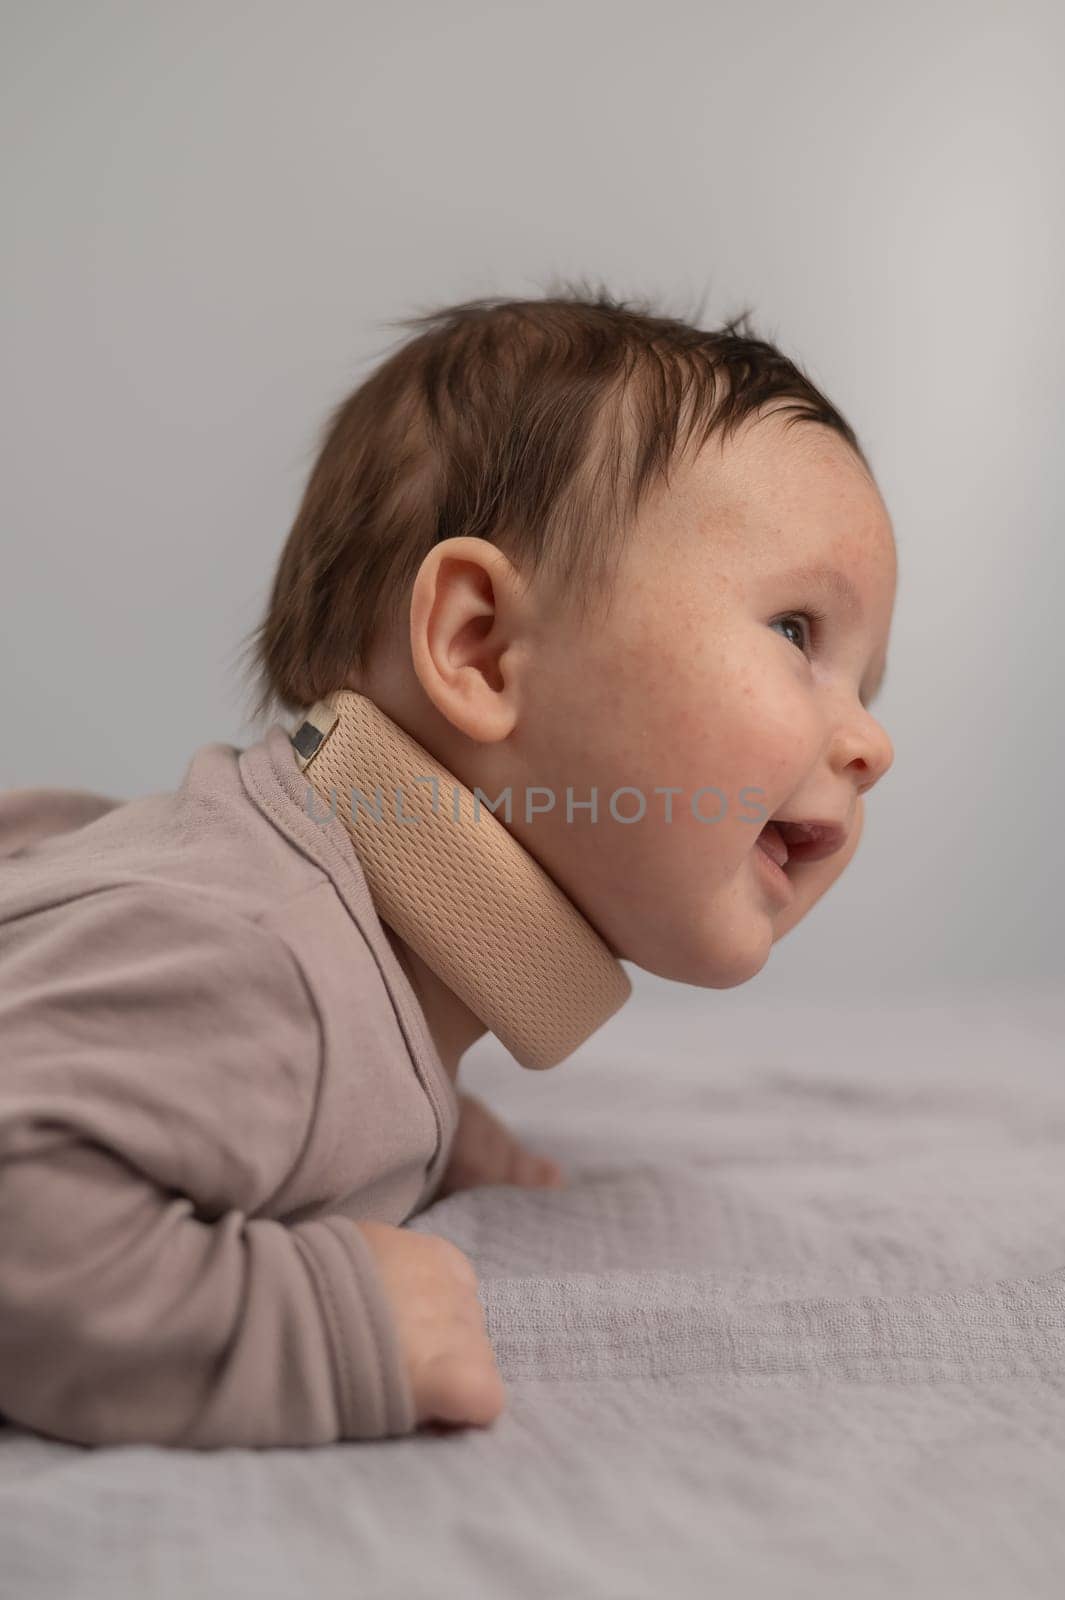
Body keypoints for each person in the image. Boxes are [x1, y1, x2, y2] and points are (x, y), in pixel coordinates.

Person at [0, 287, 895, 1449]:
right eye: (794, 634)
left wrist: (428, 1118)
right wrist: (323, 1323)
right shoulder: (262, 964)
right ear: (480, 648)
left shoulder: (323, 968)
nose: (872, 742)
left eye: (870, 684)